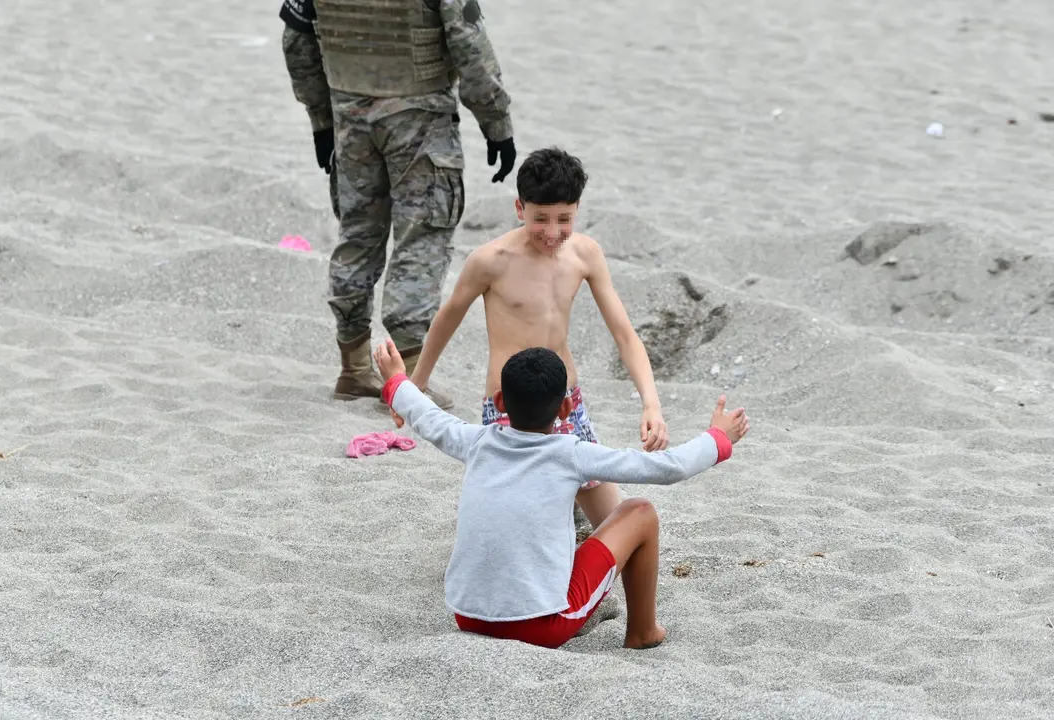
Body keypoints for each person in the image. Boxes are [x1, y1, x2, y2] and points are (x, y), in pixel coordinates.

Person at [373, 340, 749, 650]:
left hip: (468, 615)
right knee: (640, 512)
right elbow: (667, 467)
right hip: (542, 625)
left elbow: (426, 415)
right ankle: (643, 632)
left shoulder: (476, 440)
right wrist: (718, 437)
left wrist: (396, 381)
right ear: (566, 408)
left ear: (500, 403)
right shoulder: (571, 452)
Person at [392, 147, 669, 532]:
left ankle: (571, 503)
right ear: (520, 208)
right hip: (511, 409)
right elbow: (447, 319)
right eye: (541, 219)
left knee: (612, 523)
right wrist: (414, 387)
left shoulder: (585, 254)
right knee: (516, 526)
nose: (553, 233)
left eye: (564, 219)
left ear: (577, 209)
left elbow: (624, 335)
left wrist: (650, 404)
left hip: (566, 404)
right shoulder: (491, 260)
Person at [279, 0, 517, 407]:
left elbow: (296, 43)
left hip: (350, 116)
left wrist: (321, 120)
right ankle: (407, 381)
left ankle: (354, 370)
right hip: (419, 117)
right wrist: (496, 124)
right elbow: (469, 44)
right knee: (421, 237)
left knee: (357, 234)